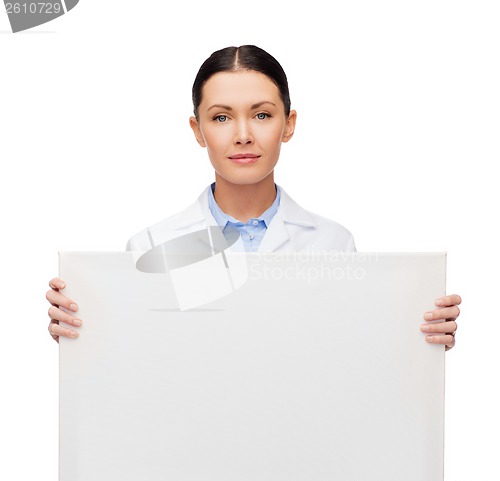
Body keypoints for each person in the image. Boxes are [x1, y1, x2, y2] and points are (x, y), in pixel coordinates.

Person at [46, 45, 461, 349]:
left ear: (288, 123)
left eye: (262, 114)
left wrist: (420, 331)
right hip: (190, 453)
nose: (243, 134)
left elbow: (353, 350)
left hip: (299, 451)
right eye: (221, 117)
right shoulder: (149, 247)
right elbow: (133, 356)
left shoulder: (334, 244)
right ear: (197, 130)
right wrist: (81, 328)